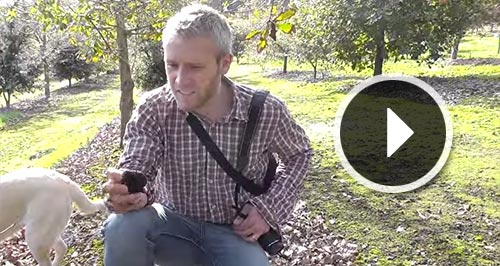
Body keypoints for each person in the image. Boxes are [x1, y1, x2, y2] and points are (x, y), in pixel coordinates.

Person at [101, 4, 313, 266]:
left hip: (234, 231)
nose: (179, 80)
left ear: (224, 64)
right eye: (172, 65)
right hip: (171, 224)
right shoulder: (154, 107)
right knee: (121, 226)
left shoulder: (265, 110)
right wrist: (131, 190)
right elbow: (139, 162)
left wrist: (267, 209)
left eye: (195, 67)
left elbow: (300, 154)